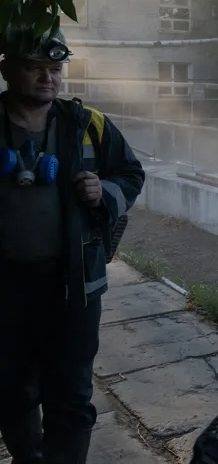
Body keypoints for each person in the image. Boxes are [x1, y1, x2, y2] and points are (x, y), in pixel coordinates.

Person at [0, 27, 146, 464]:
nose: (48, 77)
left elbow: (131, 174)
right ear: (6, 68)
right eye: (34, 67)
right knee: (11, 390)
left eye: (55, 68)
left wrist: (105, 192)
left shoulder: (88, 125)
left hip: (74, 288)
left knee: (71, 395)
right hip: (5, 288)